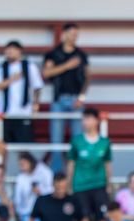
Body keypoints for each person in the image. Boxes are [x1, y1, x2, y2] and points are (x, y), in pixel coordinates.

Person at [43, 24, 90, 163]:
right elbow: (46, 73)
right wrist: (67, 66)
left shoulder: (81, 55)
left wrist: (82, 97)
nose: (74, 37)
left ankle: (77, 172)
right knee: (56, 140)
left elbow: (87, 77)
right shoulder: (53, 54)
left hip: (76, 100)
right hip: (59, 100)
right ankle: (57, 172)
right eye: (72, 34)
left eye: (76, 35)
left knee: (78, 140)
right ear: (64, 34)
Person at [0, 40, 44, 146]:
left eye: (12, 50)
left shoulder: (29, 66)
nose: (9, 52)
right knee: (2, 146)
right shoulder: (1, 68)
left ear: (19, 51)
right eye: (7, 50)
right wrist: (12, 79)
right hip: (5, 113)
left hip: (24, 112)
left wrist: (36, 104)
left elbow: (37, 86)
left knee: (24, 146)